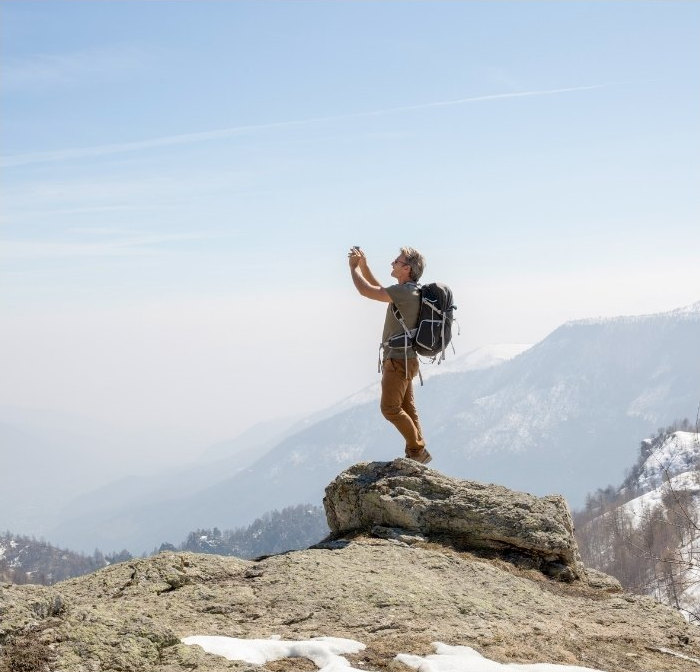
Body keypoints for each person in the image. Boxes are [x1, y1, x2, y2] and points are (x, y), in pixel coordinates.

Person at [348, 246, 431, 464]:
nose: (392, 263)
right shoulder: (410, 291)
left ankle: (417, 449)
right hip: (407, 358)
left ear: (407, 268)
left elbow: (367, 291)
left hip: (398, 359)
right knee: (406, 407)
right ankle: (417, 453)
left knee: (390, 408)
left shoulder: (404, 292)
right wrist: (364, 267)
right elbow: (379, 288)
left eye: (397, 261)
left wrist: (353, 269)